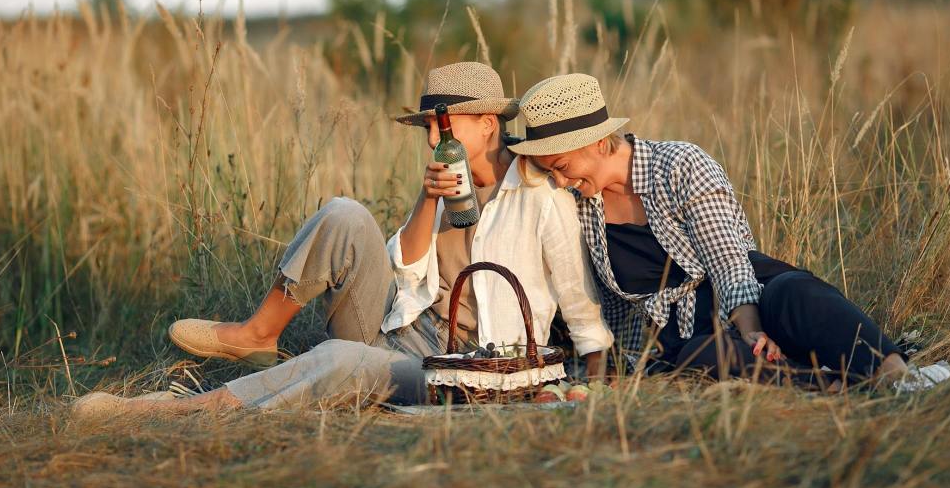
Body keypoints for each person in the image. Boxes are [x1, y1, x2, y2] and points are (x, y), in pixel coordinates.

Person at [73, 63, 612, 418]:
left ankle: (179, 411)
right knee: (345, 213)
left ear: (489, 123)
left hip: (461, 365)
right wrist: (427, 200)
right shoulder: (445, 178)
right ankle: (259, 332)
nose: (432, 138)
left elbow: (578, 298)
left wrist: (593, 380)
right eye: (426, 127)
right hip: (397, 329)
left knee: (337, 360)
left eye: (443, 126)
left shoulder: (540, 191)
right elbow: (406, 273)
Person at [508, 72, 950, 392]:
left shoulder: (679, 165)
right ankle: (833, 386)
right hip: (678, 340)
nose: (560, 181)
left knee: (795, 294)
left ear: (599, 144)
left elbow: (729, 262)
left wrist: (752, 330)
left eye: (562, 167)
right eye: (551, 172)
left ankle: (899, 375)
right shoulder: (578, 204)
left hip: (744, 301)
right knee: (701, 360)